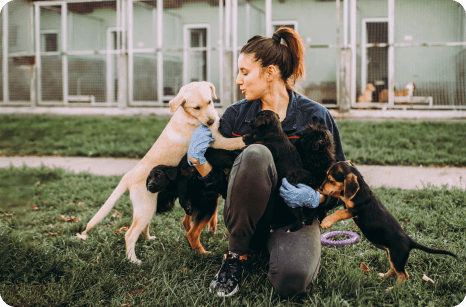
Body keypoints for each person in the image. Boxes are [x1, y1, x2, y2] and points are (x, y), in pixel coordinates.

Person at [187, 27, 345, 298]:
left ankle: (279, 248)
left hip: (292, 221)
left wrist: (315, 199)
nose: (238, 80)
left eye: (245, 72)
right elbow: (224, 187)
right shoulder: (236, 116)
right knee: (256, 153)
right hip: (245, 221)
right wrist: (198, 160)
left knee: (292, 283)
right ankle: (236, 255)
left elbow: (340, 183)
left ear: (270, 73)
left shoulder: (315, 116)